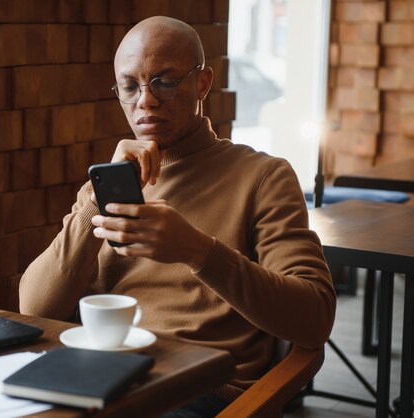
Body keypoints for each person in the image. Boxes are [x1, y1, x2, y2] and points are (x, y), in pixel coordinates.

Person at [19, 16, 336, 417]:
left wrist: (197, 250)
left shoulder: (263, 176)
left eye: (165, 82)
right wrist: (96, 202)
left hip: (197, 386)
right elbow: (34, 309)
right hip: (95, 373)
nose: (145, 101)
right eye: (130, 87)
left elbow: (315, 318)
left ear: (202, 83)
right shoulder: (110, 184)